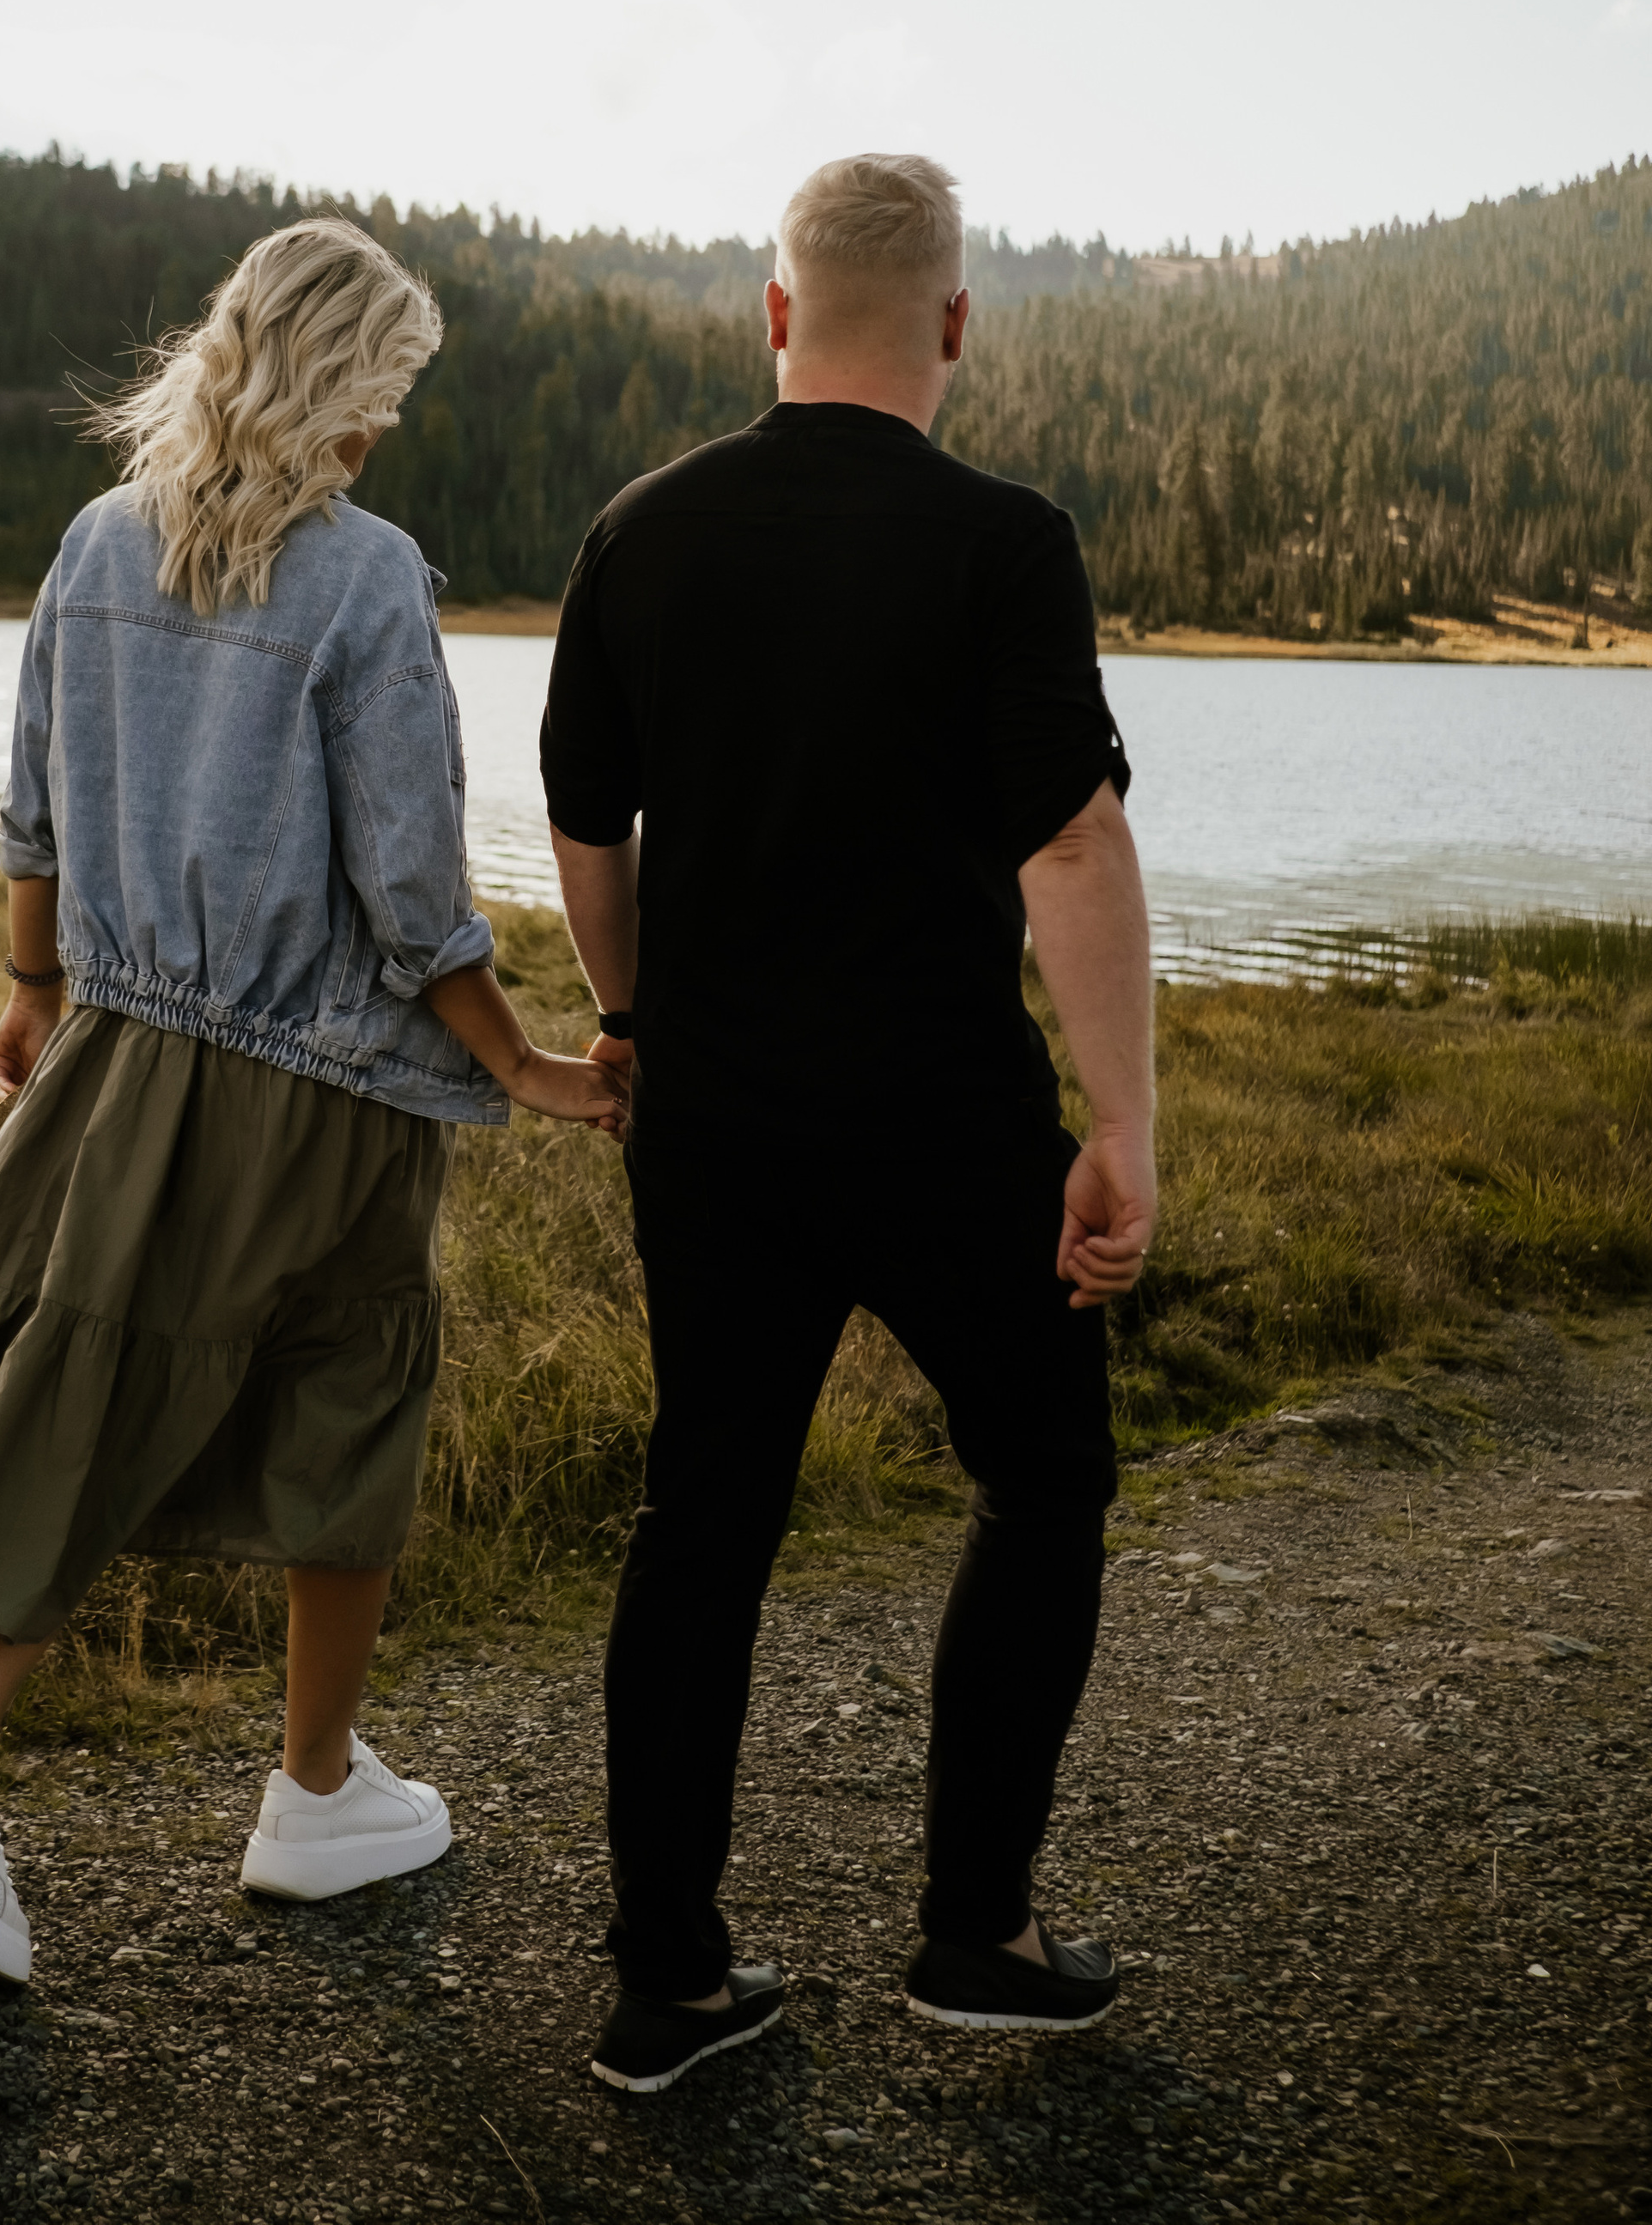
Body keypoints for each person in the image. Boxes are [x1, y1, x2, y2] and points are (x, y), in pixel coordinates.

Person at [0, 217, 625, 1983]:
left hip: (121, 1044)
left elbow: (27, 809)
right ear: (343, 380)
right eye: (389, 388)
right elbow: (408, 890)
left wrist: (37, 999)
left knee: (170, 1367)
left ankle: (312, 1792)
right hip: (312, 1087)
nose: (389, 428)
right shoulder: (364, 576)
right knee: (287, 1389)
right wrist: (520, 1063)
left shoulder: (97, 542)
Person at [538, 151, 1156, 2095]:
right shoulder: (1005, 541)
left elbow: (582, 828)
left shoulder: (640, 531)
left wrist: (629, 1020)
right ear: (954, 323)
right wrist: (1119, 1131)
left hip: (714, 1130)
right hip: (947, 1124)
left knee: (700, 1526)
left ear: (775, 313)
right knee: (1041, 1479)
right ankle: (974, 1935)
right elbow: (1067, 834)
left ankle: (667, 1988)